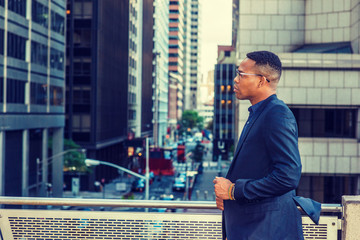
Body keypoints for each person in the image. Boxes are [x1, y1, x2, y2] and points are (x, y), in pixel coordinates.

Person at [213, 51, 304, 240]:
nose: (235, 80)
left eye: (241, 74)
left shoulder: (277, 114)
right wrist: (228, 194)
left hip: (266, 230)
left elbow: (288, 176)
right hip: (254, 228)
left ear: (262, 81)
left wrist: (233, 190)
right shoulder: (259, 113)